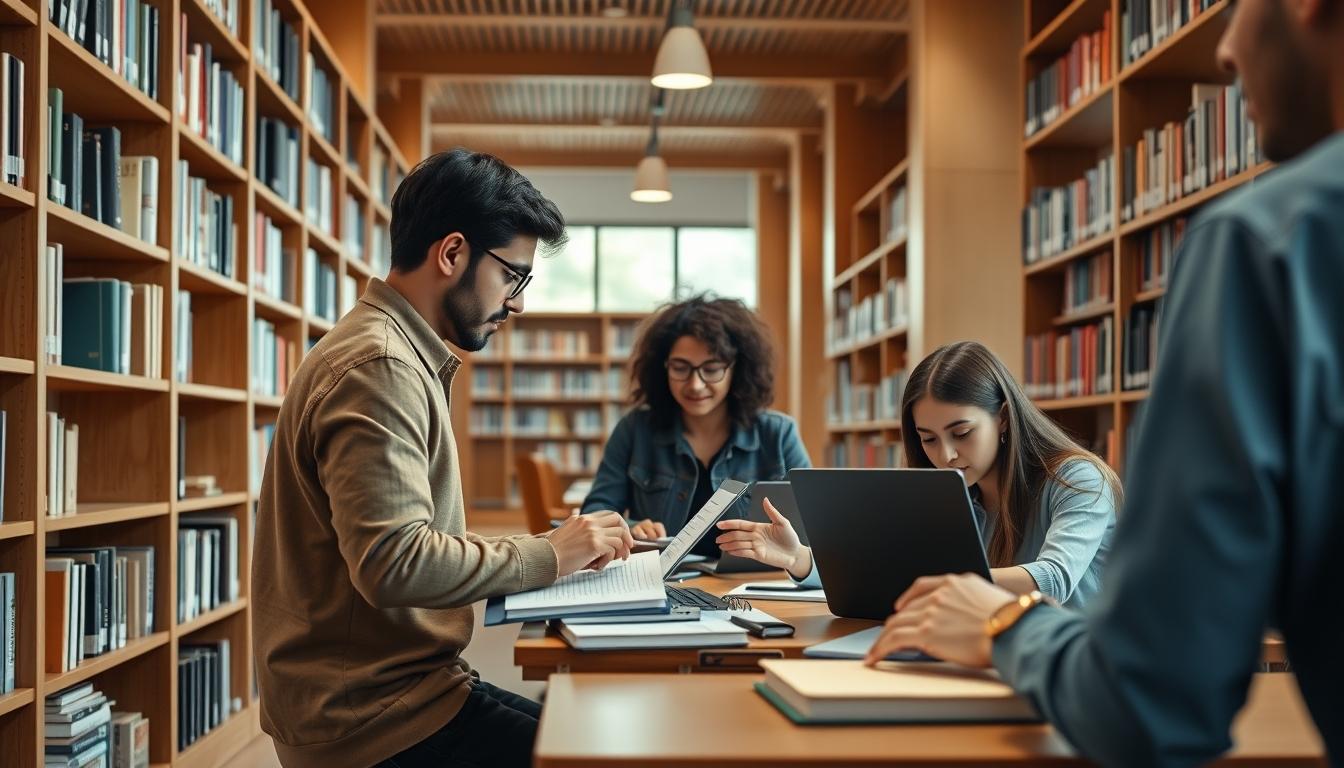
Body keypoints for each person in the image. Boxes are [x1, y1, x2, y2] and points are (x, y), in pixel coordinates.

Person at [861, 0, 1344, 763]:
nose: (1224, 51)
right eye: (928, 438)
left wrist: (1001, 625)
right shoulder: (968, 501)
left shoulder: (1270, 242)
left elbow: (1152, 704)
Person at [251, 149, 635, 768]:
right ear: (453, 253)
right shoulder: (381, 367)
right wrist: (548, 555)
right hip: (374, 718)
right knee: (603, 754)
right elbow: (393, 562)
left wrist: (551, 551)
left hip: (407, 689)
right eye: (512, 276)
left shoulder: (391, 350)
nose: (517, 303)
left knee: (592, 740)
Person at [716, 341, 1119, 608]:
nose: (946, 455)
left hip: (1074, 674)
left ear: (1002, 418)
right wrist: (800, 557)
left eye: (962, 433)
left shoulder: (1079, 480)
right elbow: (885, 568)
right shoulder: (954, 492)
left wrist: (926, 577)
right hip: (995, 655)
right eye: (928, 439)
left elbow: (1053, 579)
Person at [582, 295, 810, 557]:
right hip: (663, 579)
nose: (695, 385)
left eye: (711, 369)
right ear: (663, 368)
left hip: (753, 580)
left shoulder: (778, 434)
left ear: (737, 369)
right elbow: (595, 513)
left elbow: (813, 528)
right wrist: (630, 528)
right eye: (681, 368)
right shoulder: (634, 429)